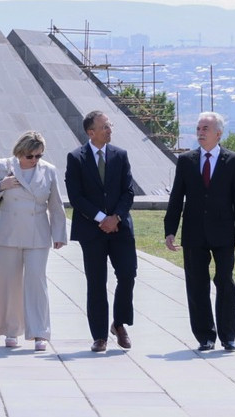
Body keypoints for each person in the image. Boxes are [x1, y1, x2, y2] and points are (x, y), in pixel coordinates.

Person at [163, 111, 235, 353]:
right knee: (197, 284)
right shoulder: (186, 161)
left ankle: (228, 336)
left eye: (205, 129)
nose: (200, 132)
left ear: (218, 134)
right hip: (193, 233)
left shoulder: (233, 160)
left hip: (223, 232)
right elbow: (176, 198)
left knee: (225, 282)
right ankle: (205, 336)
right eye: (199, 128)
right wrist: (170, 230)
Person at [0, 129, 67, 351]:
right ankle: (11, 330)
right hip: (7, 234)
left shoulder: (48, 171)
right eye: (29, 156)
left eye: (38, 156)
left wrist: (59, 234)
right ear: (19, 152)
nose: (34, 160)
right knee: (9, 282)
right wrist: (3, 185)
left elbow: (55, 205)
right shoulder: (4, 166)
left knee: (36, 281)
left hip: (37, 234)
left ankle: (40, 332)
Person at [64, 109, 136, 352]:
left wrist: (115, 217)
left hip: (120, 228)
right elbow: (76, 196)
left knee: (127, 274)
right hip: (91, 231)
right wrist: (101, 218)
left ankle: (119, 323)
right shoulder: (76, 158)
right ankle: (99, 336)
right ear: (90, 132)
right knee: (96, 282)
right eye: (104, 126)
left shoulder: (120, 155)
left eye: (110, 125)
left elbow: (128, 191)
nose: (109, 130)